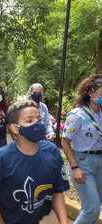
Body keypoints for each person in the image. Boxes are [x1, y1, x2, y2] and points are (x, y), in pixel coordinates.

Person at [0, 100, 70, 224]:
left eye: (39, 119)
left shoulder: (52, 151)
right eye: (29, 120)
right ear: (15, 128)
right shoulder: (0, 159)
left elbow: (57, 191)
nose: (37, 124)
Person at [62, 74, 102, 224]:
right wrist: (74, 167)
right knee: (92, 210)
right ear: (91, 93)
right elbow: (65, 142)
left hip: (99, 161)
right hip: (82, 162)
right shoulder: (77, 114)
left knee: (95, 205)